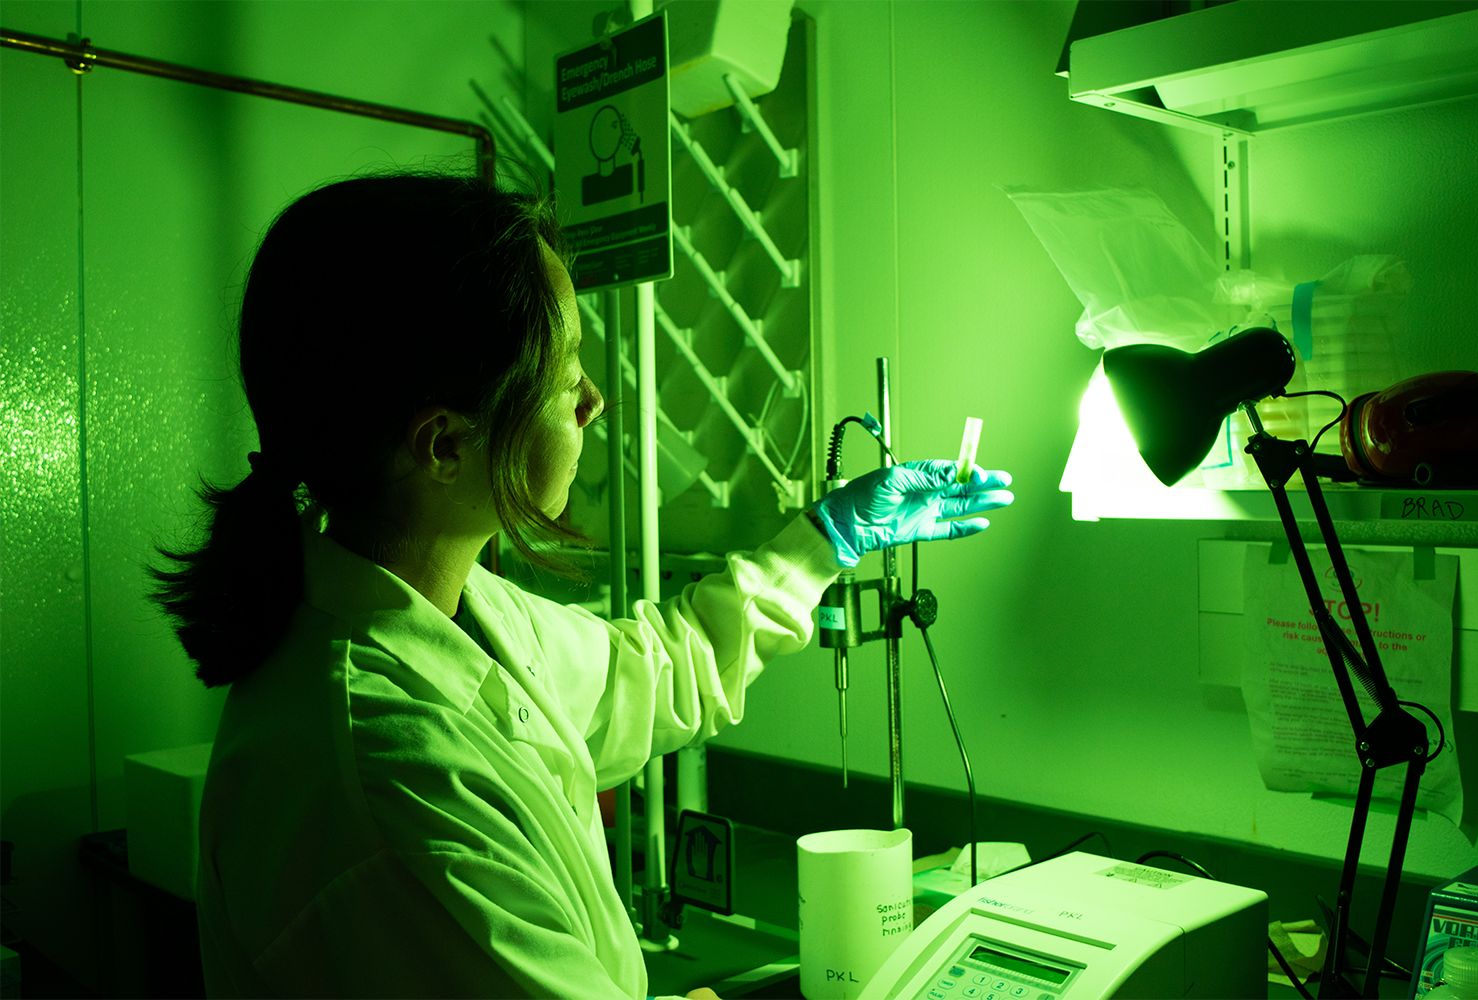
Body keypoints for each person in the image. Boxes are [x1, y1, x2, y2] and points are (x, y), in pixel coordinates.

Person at [151, 173, 1013, 1000]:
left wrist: (826, 539)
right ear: (445, 445)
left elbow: (653, 671)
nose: (595, 400)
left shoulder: (465, 614)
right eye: (565, 374)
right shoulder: (387, 782)